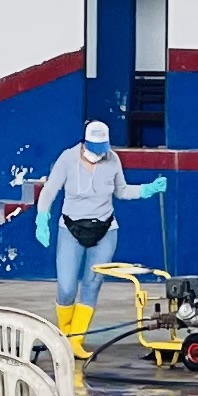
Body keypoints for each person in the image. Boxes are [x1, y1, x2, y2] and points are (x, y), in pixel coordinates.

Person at [34, 120, 165, 358]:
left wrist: (147, 189)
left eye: (102, 149)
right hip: (71, 229)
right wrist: (42, 217)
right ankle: (65, 335)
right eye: (94, 149)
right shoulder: (67, 159)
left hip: (105, 229)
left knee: (92, 285)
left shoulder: (113, 160)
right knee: (66, 287)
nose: (99, 154)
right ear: (84, 143)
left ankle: (75, 341)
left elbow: (121, 190)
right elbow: (50, 190)